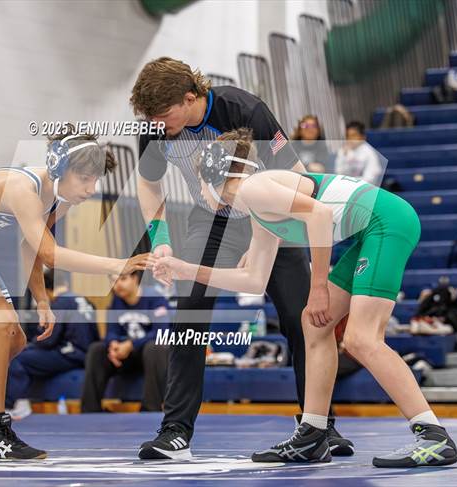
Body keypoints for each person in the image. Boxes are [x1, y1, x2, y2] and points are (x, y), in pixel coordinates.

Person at [154, 128, 457, 468]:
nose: (199, 190)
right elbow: (254, 280)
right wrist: (186, 269)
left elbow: (320, 215)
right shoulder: (258, 208)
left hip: (387, 223)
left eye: (199, 180)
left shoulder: (255, 188)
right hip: (374, 228)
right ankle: (313, 434)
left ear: (214, 174)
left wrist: (318, 287)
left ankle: (433, 435)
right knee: (314, 326)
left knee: (361, 339)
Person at [130, 56, 353, 460]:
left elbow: (299, 176)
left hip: (270, 215)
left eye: (163, 115)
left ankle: (319, 426)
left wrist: (266, 234)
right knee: (189, 313)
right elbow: (148, 184)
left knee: (302, 318)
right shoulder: (155, 128)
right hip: (212, 217)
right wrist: (160, 238)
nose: (156, 124)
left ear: (189, 98)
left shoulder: (245, 109)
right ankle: (175, 430)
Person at [0, 128, 149, 460]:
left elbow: (32, 248)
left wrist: (42, 300)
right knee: (2, 327)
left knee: (15, 340)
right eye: (85, 179)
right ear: (59, 168)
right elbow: (51, 254)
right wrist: (117, 264)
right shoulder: (23, 188)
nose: (91, 189)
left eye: (95, 180)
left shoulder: (57, 196)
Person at [7, 270, 98, 420]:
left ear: (46, 290)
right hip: (88, 355)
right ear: (65, 283)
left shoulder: (60, 303)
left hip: (71, 354)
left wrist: (29, 345)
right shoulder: (86, 301)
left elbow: (48, 340)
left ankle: (14, 403)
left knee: (19, 358)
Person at [81, 271, 170, 413]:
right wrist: (113, 344)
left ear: (135, 279)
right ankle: (90, 411)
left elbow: (162, 332)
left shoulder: (155, 299)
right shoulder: (116, 301)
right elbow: (111, 332)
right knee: (96, 349)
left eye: (122, 279)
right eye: (113, 281)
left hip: (149, 357)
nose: (117, 285)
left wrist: (131, 345)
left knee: (155, 348)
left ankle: (150, 409)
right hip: (125, 357)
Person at [333, 121, 383, 185]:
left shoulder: (370, 153)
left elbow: (370, 179)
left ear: (362, 137)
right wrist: (344, 156)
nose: (350, 139)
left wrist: (350, 182)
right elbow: (338, 173)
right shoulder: (343, 151)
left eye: (353, 135)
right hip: (345, 186)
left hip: (363, 188)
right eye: (348, 136)